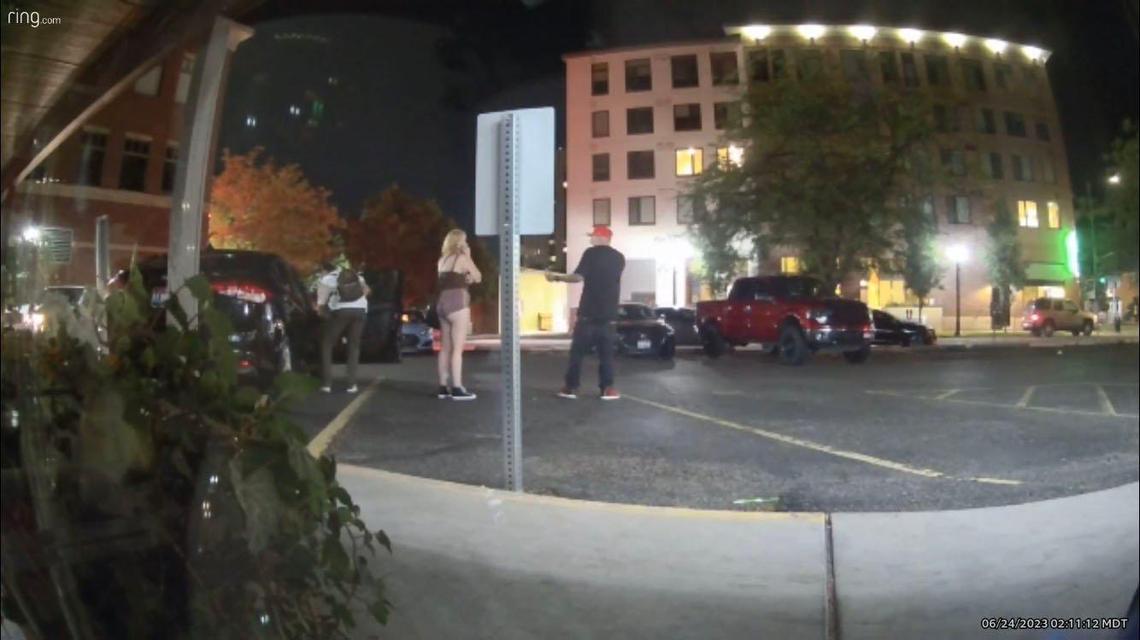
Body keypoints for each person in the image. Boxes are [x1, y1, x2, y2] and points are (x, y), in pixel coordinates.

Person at [546, 225, 625, 400]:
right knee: (607, 356)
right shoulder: (619, 258)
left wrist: (556, 277)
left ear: (600, 237)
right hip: (609, 315)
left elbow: (578, 277)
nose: (591, 239)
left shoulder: (591, 253)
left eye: (593, 236)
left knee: (577, 354)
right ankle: (608, 388)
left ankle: (570, 388)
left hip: (588, 313)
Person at [436, 229, 482, 400]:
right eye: (465, 241)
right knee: (457, 349)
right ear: (460, 243)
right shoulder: (462, 259)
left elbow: (450, 279)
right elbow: (478, 276)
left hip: (441, 303)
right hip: (458, 303)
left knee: (445, 348)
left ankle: (442, 387)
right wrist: (468, 256)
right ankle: (457, 387)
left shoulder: (442, 260)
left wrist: (466, 278)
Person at [316, 262, 370, 393]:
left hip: (340, 312)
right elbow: (367, 290)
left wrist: (324, 313)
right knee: (354, 346)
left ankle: (327, 384)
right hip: (361, 311)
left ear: (324, 270)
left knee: (327, 344)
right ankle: (352, 385)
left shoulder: (326, 279)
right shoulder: (355, 276)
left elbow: (321, 304)